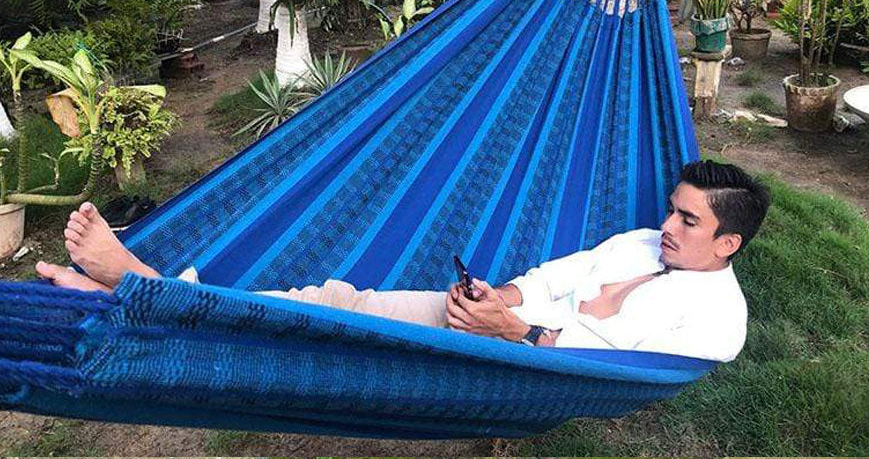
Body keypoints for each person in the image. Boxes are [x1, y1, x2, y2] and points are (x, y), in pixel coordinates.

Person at [36, 160, 769, 362]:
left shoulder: (715, 321)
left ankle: (137, 287)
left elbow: (614, 364)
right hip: (495, 322)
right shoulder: (638, 244)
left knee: (313, 337)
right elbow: (550, 277)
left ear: (727, 243)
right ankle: (138, 290)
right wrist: (501, 294)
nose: (665, 222)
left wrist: (511, 333)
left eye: (686, 218)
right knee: (332, 297)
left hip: (519, 362)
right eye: (672, 207)